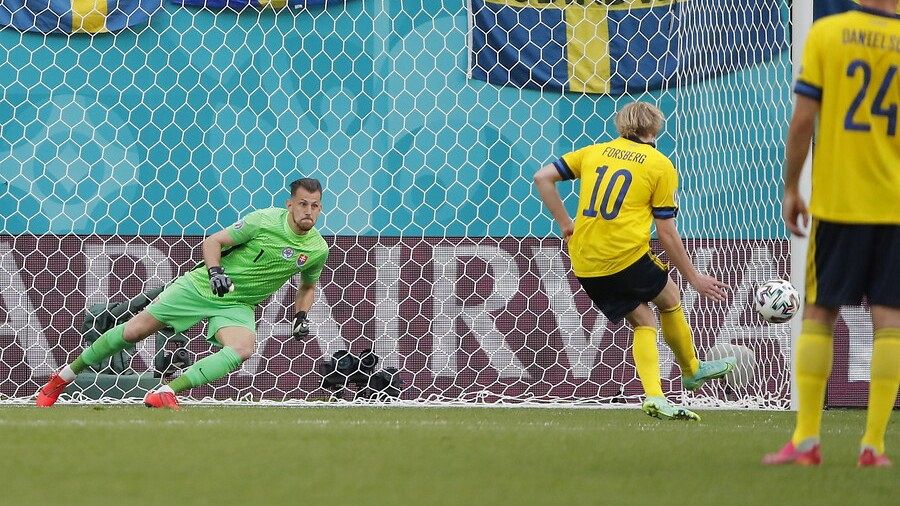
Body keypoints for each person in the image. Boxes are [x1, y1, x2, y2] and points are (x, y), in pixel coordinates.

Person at [36, 177, 330, 409]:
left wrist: (300, 315)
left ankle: (166, 392)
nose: (309, 211)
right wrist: (216, 272)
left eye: (315, 205)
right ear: (289, 204)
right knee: (134, 331)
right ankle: (62, 378)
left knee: (242, 349)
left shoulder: (317, 249)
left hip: (239, 303)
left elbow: (307, 286)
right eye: (303, 204)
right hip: (201, 286)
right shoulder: (263, 221)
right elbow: (213, 242)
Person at [534, 101, 736, 421]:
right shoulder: (659, 165)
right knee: (670, 298)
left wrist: (565, 224)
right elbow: (666, 232)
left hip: (585, 261)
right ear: (655, 127)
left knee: (643, 321)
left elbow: (543, 177)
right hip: (624, 255)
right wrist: (695, 277)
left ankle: (655, 396)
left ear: (621, 125)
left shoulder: (593, 152)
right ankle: (691, 370)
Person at [763, 0, 900, 467]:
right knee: (891, 321)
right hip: (895, 208)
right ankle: (873, 445)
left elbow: (803, 120)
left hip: (839, 202)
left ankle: (806, 440)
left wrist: (791, 187)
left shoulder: (828, 32)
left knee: (820, 313)